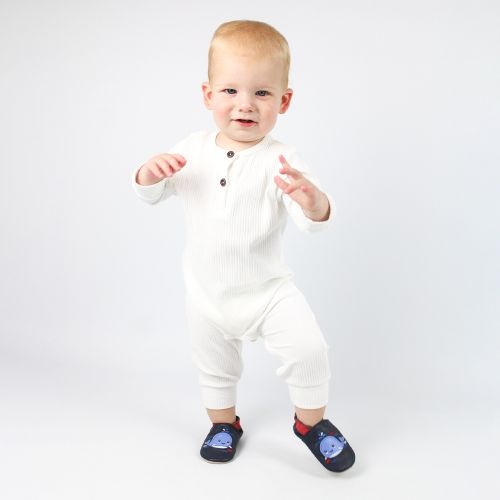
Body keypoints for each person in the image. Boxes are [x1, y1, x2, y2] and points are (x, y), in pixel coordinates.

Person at [132, 19, 355, 472]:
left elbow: (312, 224)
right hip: (207, 293)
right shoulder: (192, 150)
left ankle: (312, 425)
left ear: (284, 100)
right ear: (208, 95)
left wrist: (315, 202)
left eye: (262, 93)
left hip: (269, 292)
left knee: (309, 350)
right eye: (230, 91)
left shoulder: (283, 160)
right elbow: (153, 193)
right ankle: (223, 424)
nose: (245, 106)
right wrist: (147, 175)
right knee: (214, 367)